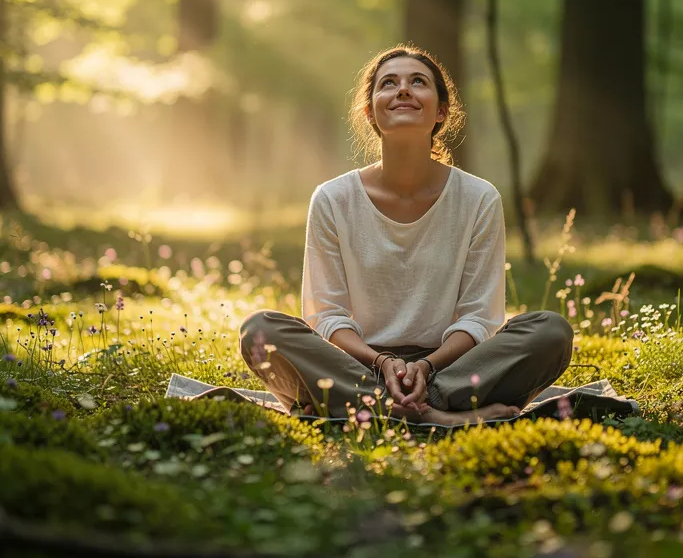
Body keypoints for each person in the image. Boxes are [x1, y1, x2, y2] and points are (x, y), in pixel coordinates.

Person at [238, 45, 573, 425]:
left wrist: (427, 367)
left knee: (550, 332)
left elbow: (479, 317)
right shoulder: (333, 198)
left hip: (452, 366)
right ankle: (438, 415)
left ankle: (379, 406)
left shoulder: (479, 198)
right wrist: (381, 362)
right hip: (359, 363)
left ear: (441, 111)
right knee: (260, 330)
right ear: (370, 112)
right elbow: (326, 315)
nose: (402, 90)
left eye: (417, 82)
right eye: (388, 83)